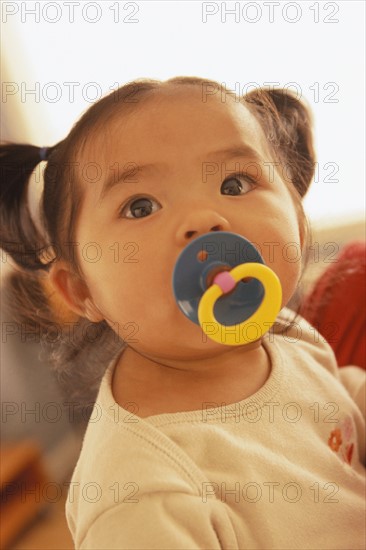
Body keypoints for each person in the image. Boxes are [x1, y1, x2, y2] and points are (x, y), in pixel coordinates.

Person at [1, 77, 365, 550]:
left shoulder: (284, 333)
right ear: (81, 290)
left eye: (235, 183)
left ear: (296, 216)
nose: (203, 218)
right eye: (140, 206)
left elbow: (337, 395)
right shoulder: (140, 492)